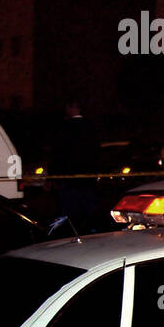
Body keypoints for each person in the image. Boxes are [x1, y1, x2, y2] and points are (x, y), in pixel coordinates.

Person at [50, 99, 101, 233]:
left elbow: (57, 153)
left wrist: (53, 176)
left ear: (70, 108)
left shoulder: (64, 128)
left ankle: (72, 231)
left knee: (70, 209)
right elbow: (97, 152)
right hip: (88, 177)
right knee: (88, 207)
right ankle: (91, 229)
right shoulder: (91, 127)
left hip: (69, 177)